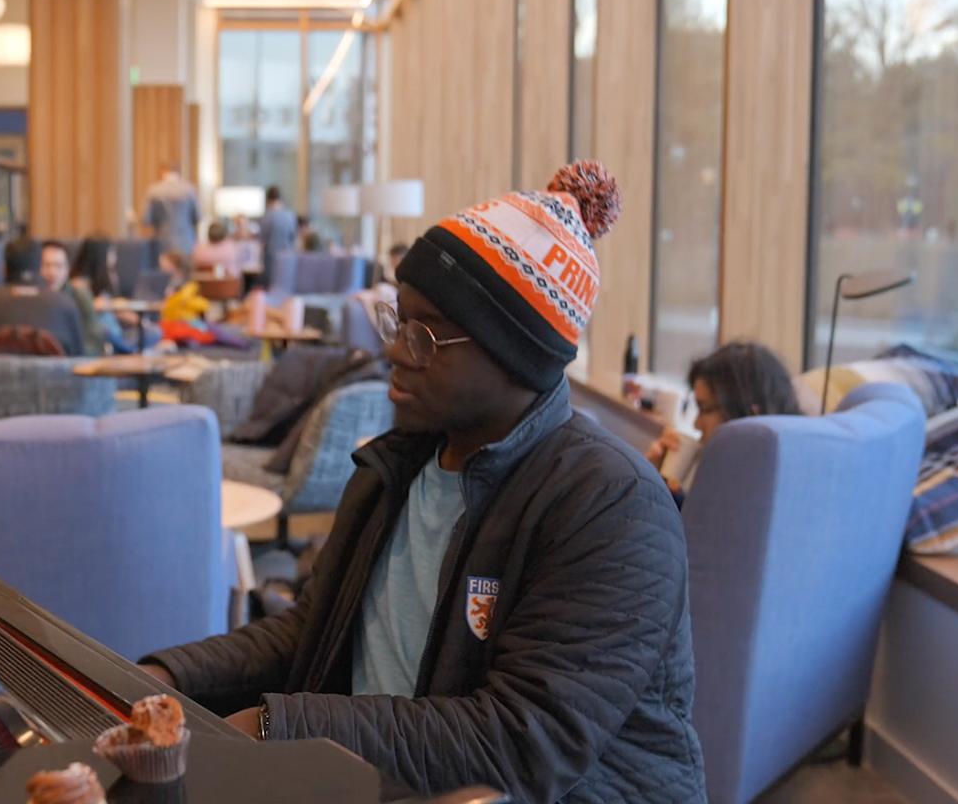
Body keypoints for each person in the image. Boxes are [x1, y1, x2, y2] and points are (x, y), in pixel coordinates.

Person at [138, 162, 705, 801]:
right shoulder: (398, 466)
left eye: (427, 333)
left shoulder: (612, 506)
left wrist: (282, 727)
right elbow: (315, 628)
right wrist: (166, 678)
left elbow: (522, 741)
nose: (397, 349)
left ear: (515, 356)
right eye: (397, 319)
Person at [643, 341, 804, 498]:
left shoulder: (747, 493)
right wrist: (656, 478)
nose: (696, 424)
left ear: (750, 414)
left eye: (705, 409)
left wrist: (649, 488)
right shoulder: (794, 471)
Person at [0, 237, 85, 356]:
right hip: (53, 380)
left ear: (4, 270)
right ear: (40, 269)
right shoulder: (66, 306)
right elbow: (79, 361)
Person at [39, 240, 103, 355]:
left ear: (67, 269)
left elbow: (95, 343)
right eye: (46, 265)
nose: (52, 272)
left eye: (58, 266)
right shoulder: (29, 298)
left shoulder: (80, 297)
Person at [143, 167, 200, 259]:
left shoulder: (153, 191)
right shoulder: (189, 190)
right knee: (184, 269)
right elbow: (198, 217)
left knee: (165, 269)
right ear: (178, 174)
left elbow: (147, 219)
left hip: (162, 241)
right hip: (186, 241)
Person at [257, 186, 297, 283]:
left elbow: (262, 242)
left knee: (271, 286)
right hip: (287, 258)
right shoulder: (290, 216)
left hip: (271, 259)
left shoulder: (267, 217)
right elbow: (293, 237)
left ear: (267, 200)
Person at [232, 216, 262, 294]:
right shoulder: (232, 241)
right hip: (237, 271)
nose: (241, 227)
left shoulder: (254, 242)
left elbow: (257, 258)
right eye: (238, 224)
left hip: (251, 271)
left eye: (242, 224)